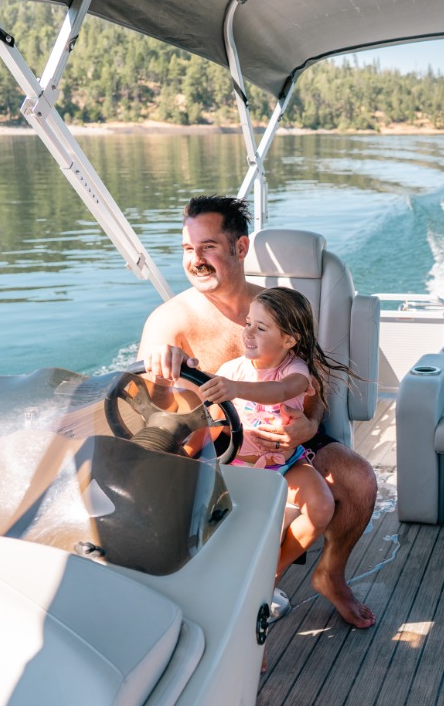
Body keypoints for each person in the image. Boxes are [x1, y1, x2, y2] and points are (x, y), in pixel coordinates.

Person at [139, 195, 378, 628]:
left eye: (208, 247)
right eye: (188, 250)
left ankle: (330, 575)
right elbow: (151, 416)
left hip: (287, 439)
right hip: (218, 450)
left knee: (359, 481)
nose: (196, 260)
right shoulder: (167, 323)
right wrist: (161, 368)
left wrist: (308, 424)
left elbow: (311, 384)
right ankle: (235, 593)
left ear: (240, 247)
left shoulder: (276, 307)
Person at [198, 286, 355, 580]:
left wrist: (235, 388)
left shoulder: (295, 371)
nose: (248, 333)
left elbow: (279, 391)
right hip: (237, 466)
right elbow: (214, 419)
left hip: (286, 464)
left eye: (260, 328)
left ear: (289, 339)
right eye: (247, 324)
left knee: (321, 507)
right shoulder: (231, 370)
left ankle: (274, 571)